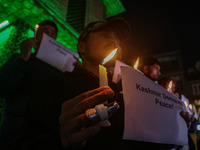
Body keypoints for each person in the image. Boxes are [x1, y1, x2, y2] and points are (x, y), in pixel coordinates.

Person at [14, 17, 130, 150]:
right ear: (82, 47)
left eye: (117, 40)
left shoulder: (122, 98)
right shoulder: (54, 84)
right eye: (104, 35)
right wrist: (61, 138)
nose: (113, 41)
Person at [0, 20, 64, 149]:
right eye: (44, 30)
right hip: (16, 125)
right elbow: (3, 87)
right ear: (36, 34)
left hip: (46, 130)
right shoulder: (20, 58)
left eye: (52, 33)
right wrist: (23, 58)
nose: (48, 35)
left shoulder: (60, 69)